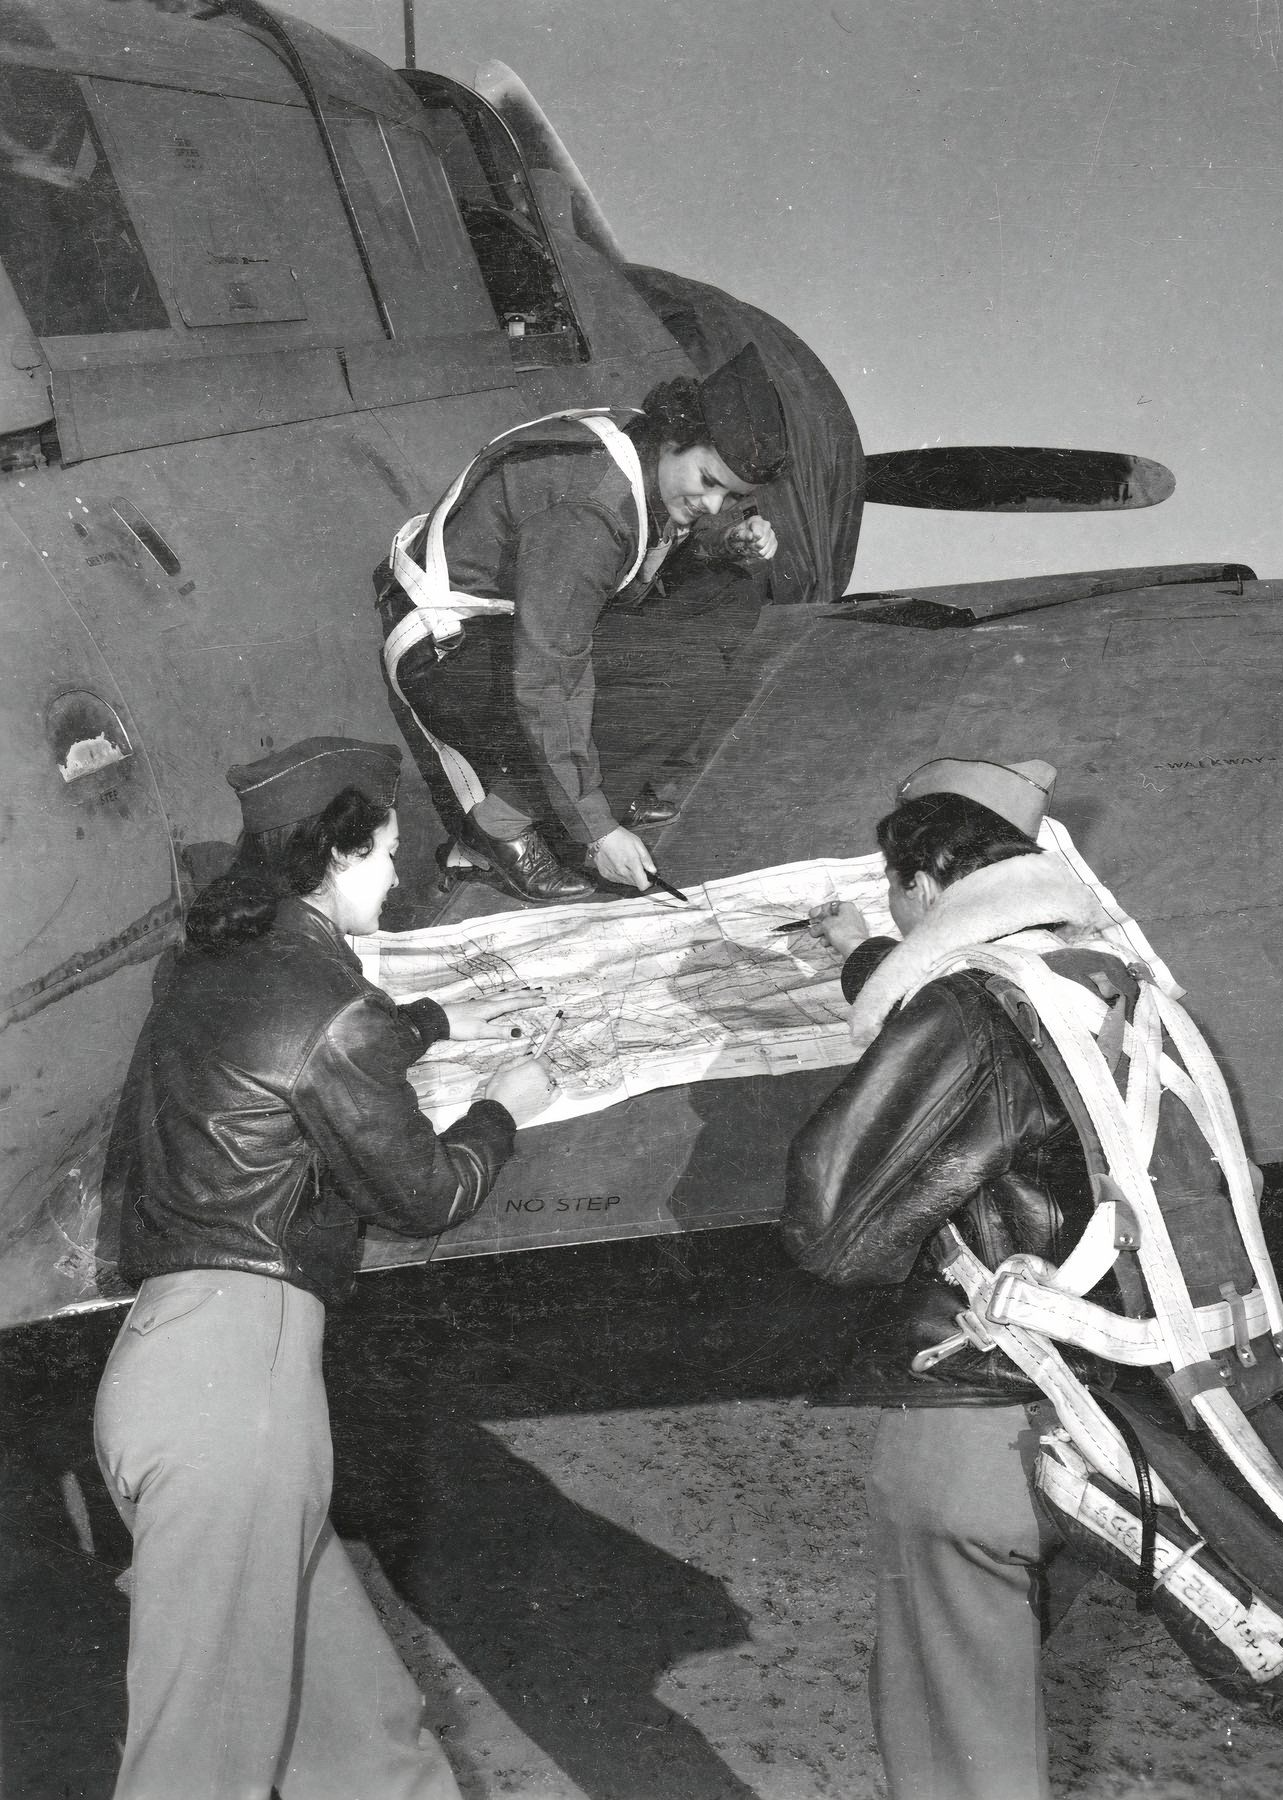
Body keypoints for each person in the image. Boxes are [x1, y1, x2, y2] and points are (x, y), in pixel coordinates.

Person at [94, 735, 554, 1800]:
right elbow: (427, 1194)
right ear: (340, 854)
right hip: (240, 1406)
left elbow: (283, 1057)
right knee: (195, 1770)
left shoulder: (210, 962)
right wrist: (503, 1109)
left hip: (173, 1372)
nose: (399, 875)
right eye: (388, 852)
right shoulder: (327, 1003)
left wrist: (421, 1025)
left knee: (364, 1742)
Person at [781, 755, 1227, 1800]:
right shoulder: (1111, 987)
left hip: (975, 1422)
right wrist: (874, 964)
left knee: (954, 1742)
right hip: (1113, 1416)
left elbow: (833, 1234)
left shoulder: (969, 1015)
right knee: (1000, 1700)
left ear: (928, 884)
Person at [378, 341, 787, 903]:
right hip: (445, 652)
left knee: (729, 594)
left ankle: (603, 778)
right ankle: (498, 826)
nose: (716, 505)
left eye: (733, 497)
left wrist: (726, 543)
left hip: (511, 618)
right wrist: (597, 831)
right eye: (710, 482)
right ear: (675, 440)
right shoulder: (588, 515)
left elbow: (657, 538)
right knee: (687, 674)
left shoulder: (647, 445)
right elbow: (551, 673)